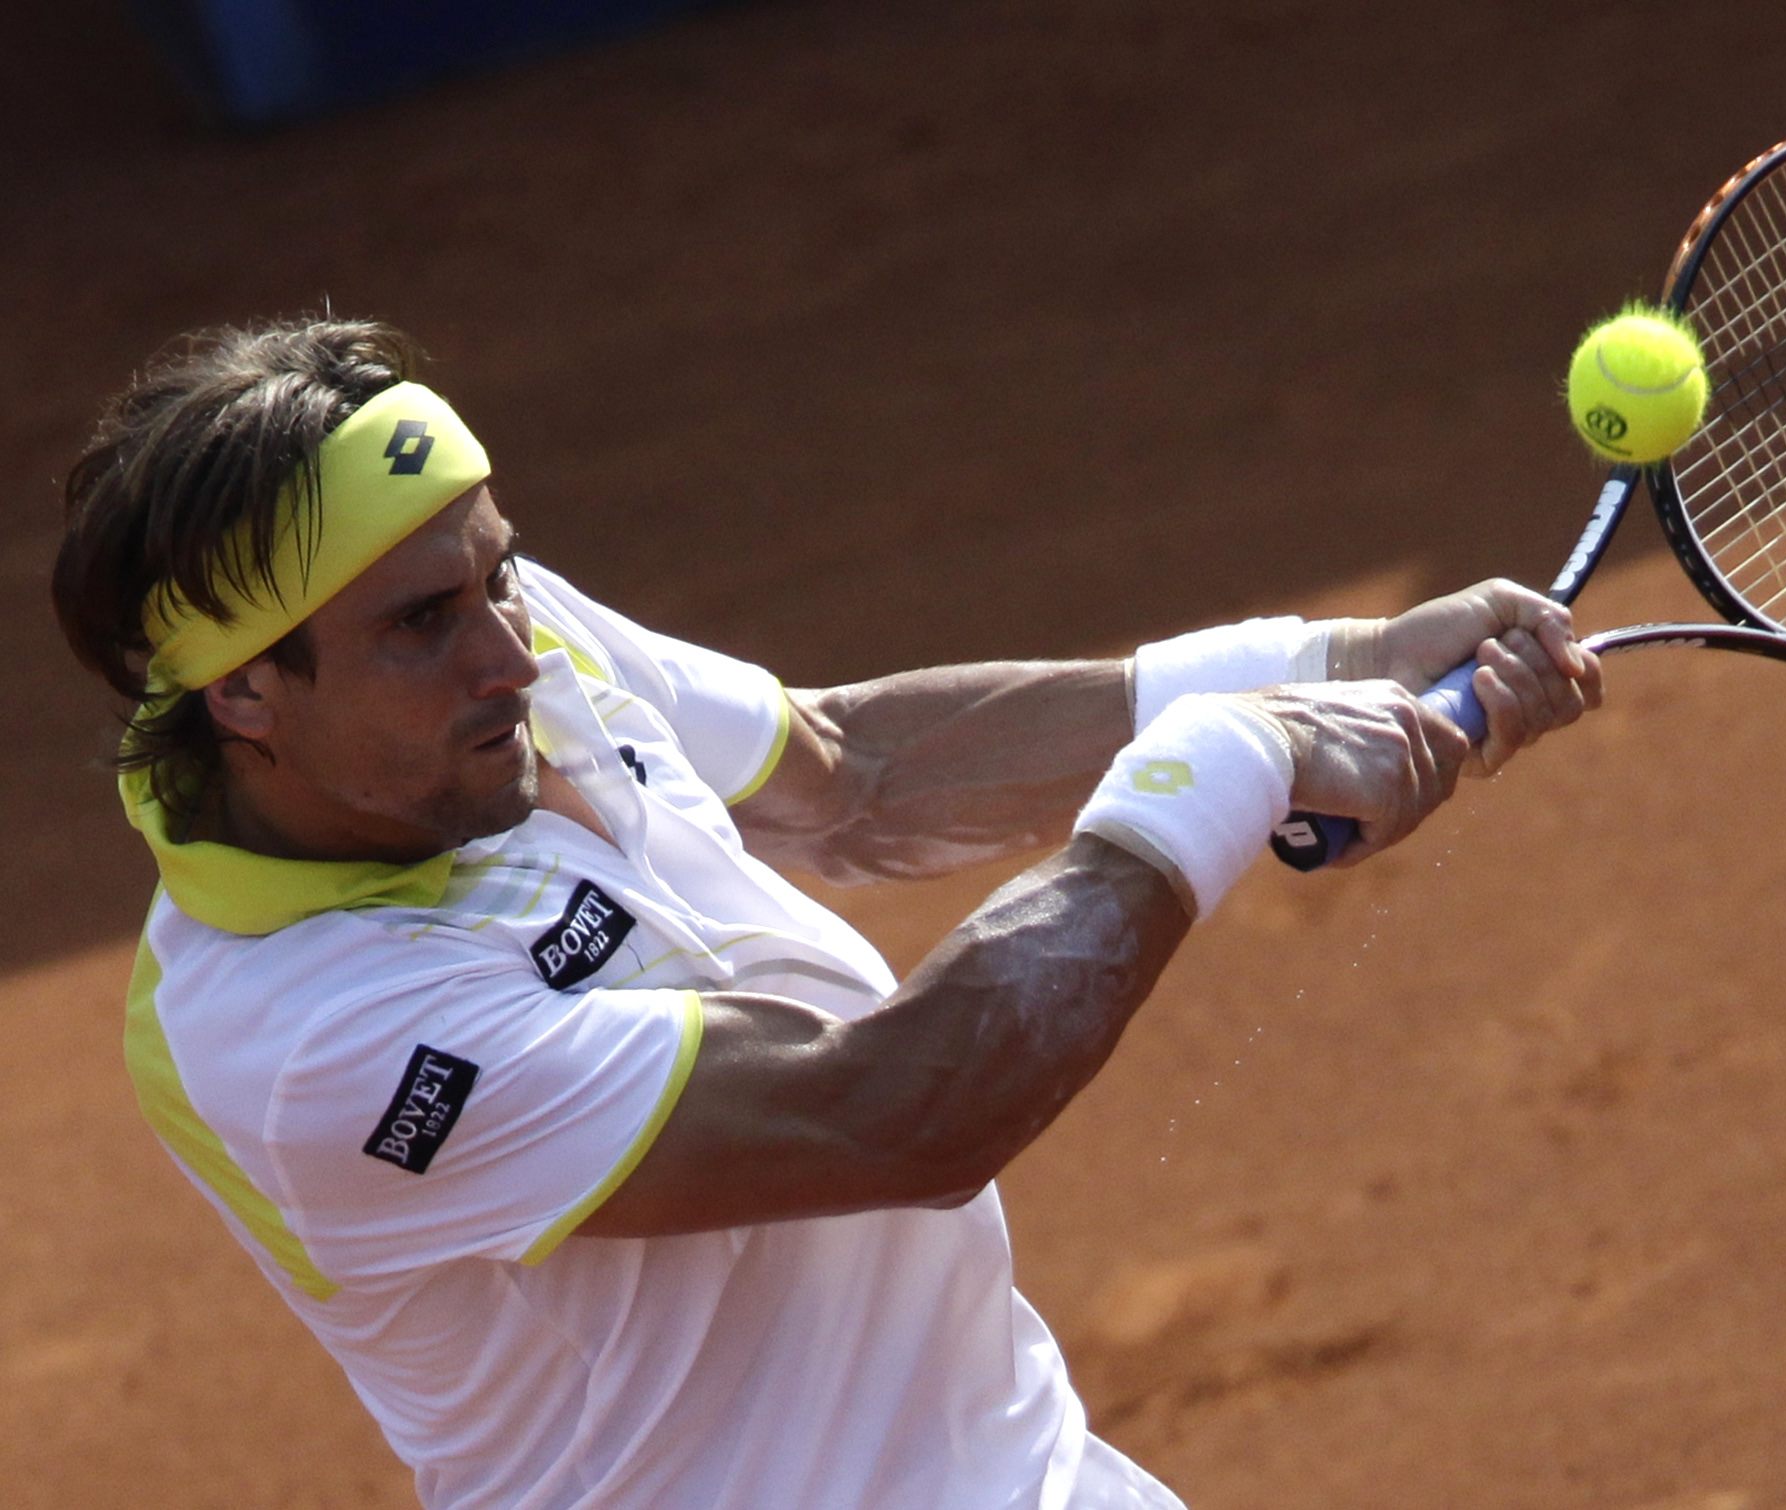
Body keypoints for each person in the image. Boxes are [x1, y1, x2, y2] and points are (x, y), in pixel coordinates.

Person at [51, 317, 1601, 1509]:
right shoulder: (305, 1038)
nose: (510, 652)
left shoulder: (487, 648)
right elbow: (898, 1112)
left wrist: (1323, 663)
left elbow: (851, 777)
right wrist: (1236, 764)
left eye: (498, 575)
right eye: (423, 626)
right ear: (246, 693)